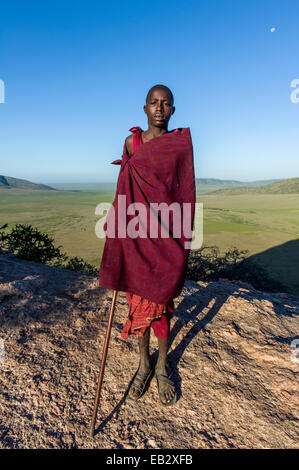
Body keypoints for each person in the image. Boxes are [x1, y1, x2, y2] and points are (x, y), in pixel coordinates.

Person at [99, 84, 195, 406]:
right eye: (153, 103)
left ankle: (163, 366)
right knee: (138, 306)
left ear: (172, 110)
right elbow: (124, 188)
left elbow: (182, 192)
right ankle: (144, 364)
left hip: (166, 235)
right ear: (144, 108)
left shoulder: (178, 145)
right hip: (136, 236)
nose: (159, 108)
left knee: (162, 307)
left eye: (166, 103)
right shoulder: (132, 142)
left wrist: (181, 238)